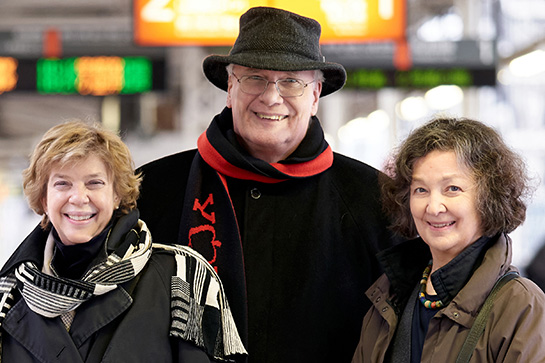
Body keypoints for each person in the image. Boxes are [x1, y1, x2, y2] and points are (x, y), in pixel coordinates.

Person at [136, 6, 399, 363]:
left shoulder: (374, 199)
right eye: (254, 78)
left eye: (291, 81)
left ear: (316, 95)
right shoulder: (152, 189)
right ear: (230, 88)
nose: (271, 97)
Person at [0, 120, 246, 362]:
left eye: (94, 183)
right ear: (44, 199)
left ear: (117, 194)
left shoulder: (182, 278)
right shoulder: (8, 295)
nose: (78, 198)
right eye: (62, 184)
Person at [352, 117, 545, 362]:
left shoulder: (521, 307)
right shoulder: (389, 297)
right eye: (420, 190)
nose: (433, 207)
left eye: (452, 188)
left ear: (489, 198)